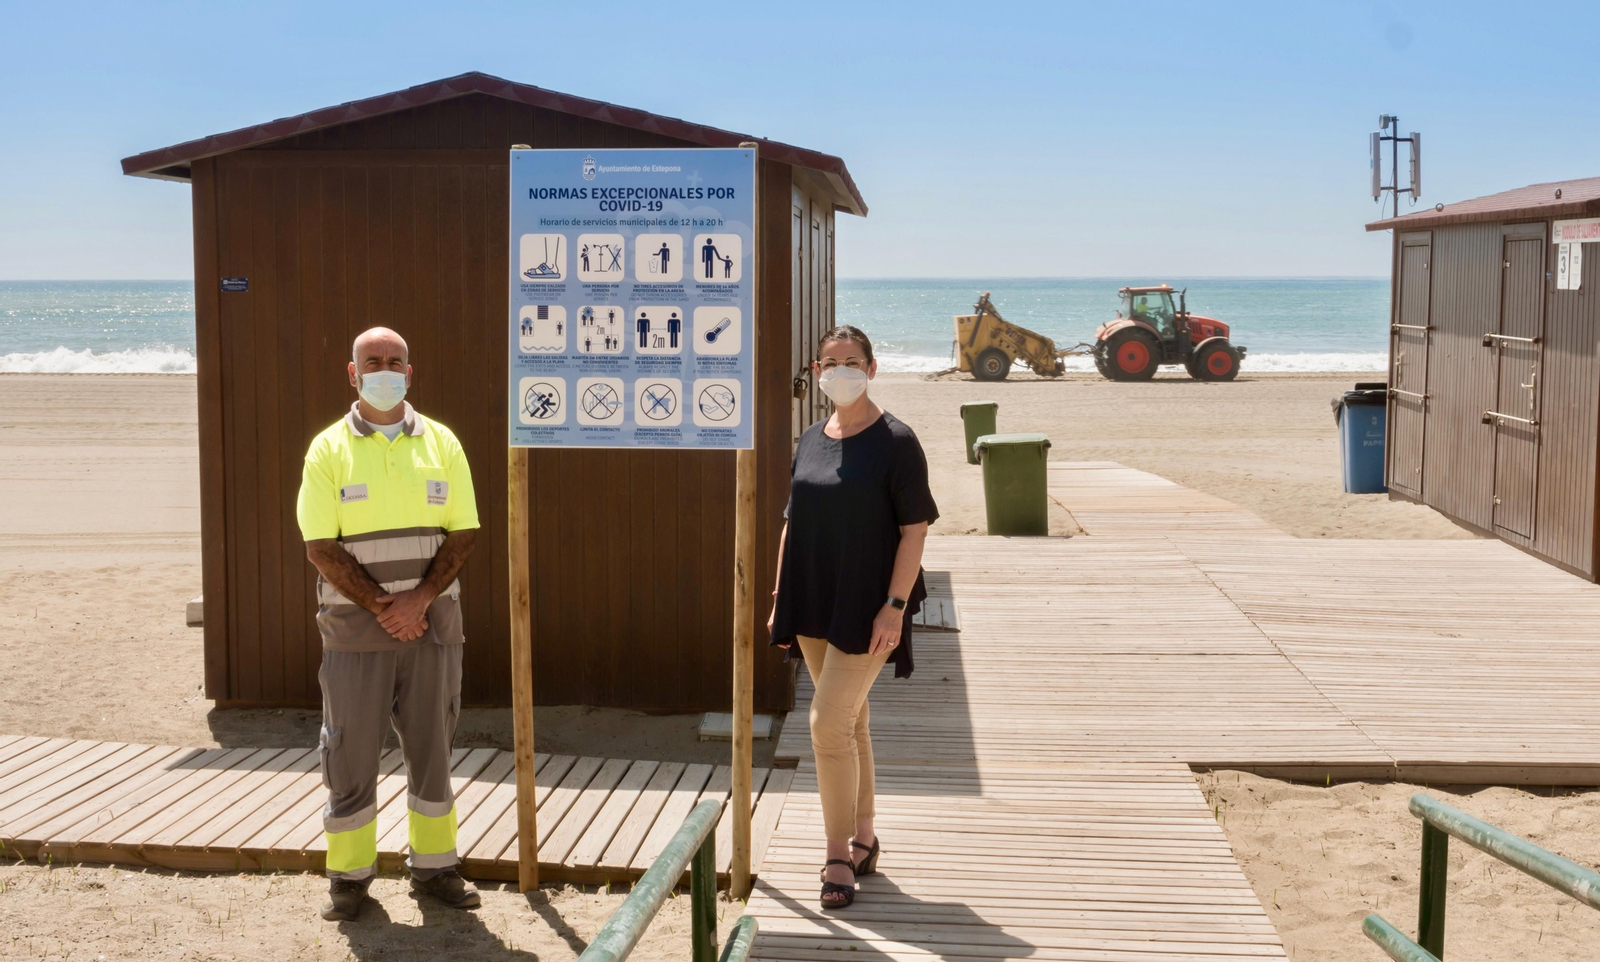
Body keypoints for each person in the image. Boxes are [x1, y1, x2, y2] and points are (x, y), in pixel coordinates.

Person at [296, 327, 481, 922]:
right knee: (349, 755)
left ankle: (436, 869)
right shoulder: (327, 449)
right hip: (355, 636)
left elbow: (464, 532)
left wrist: (419, 601)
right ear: (353, 374)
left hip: (434, 629)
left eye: (394, 361)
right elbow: (320, 546)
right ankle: (349, 879)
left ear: (410, 371)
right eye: (372, 362)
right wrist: (385, 607)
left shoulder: (443, 442)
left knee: (433, 751)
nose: (384, 369)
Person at [766, 325, 938, 910]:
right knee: (850, 722)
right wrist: (780, 593)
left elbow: (914, 531)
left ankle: (837, 853)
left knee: (825, 723)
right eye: (830, 362)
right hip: (813, 598)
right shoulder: (812, 438)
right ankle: (865, 838)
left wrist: (895, 607)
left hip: (869, 606)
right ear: (817, 372)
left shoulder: (897, 441)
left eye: (852, 361)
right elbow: (792, 521)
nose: (841, 371)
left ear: (871, 367)